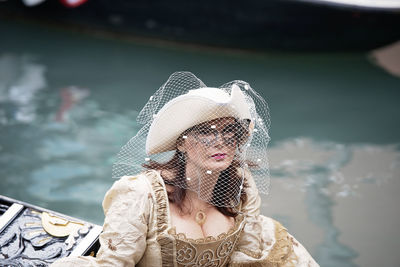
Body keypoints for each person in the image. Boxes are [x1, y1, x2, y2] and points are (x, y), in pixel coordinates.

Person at [51, 72, 319, 266]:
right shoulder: (141, 194)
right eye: (206, 132)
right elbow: (115, 263)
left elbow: (246, 256)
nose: (221, 142)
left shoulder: (241, 186)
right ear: (181, 142)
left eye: (230, 131)